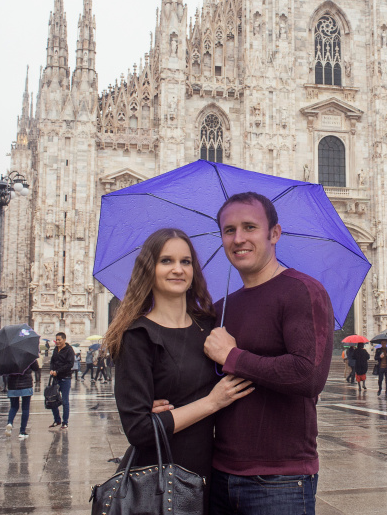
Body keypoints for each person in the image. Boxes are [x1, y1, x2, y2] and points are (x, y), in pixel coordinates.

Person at [201, 191, 334, 514]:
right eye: (229, 230)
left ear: (274, 233)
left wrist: (233, 357)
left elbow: (308, 375)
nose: (238, 238)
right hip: (219, 473)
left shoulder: (302, 290)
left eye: (250, 227)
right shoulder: (221, 308)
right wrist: (161, 401)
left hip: (280, 480)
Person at [111, 227, 254, 514]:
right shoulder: (138, 336)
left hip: (213, 474)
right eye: (166, 261)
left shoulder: (210, 327)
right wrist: (212, 402)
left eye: (185, 262)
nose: (178, 269)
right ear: (149, 270)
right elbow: (139, 430)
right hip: (162, 481)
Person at [5, 359, 40, 439]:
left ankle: (10, 423)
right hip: (26, 385)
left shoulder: (9, 357)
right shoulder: (29, 356)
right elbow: (36, 368)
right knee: (25, 408)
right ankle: (22, 431)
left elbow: (5, 371)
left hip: (13, 385)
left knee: (14, 407)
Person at [48, 332, 75, 429]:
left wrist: (58, 371)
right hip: (56, 378)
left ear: (64, 340)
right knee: (52, 399)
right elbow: (52, 361)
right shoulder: (56, 349)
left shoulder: (69, 350)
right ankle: (57, 420)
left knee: (65, 401)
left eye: (59, 340)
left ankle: (65, 422)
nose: (57, 342)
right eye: (56, 340)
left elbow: (70, 364)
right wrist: (52, 369)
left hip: (65, 378)